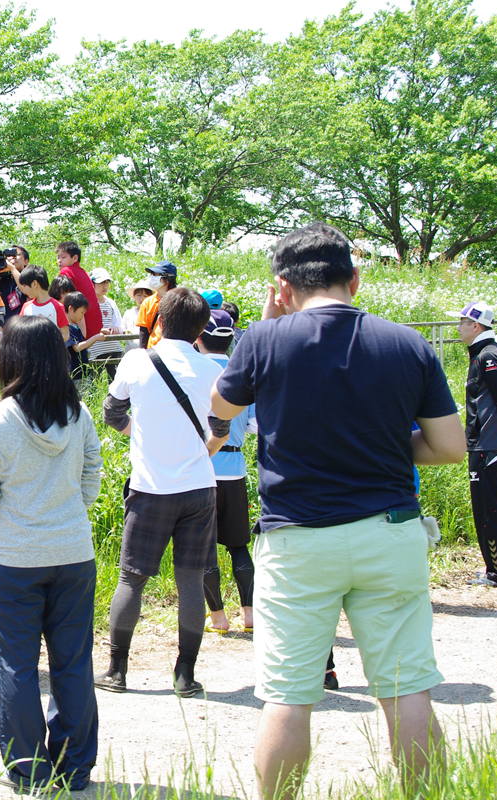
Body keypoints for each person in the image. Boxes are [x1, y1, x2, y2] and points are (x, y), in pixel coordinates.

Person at [211, 222, 465, 800]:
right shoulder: (408, 343)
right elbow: (450, 447)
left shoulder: (262, 340)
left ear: (282, 285)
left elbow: (221, 404)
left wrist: (272, 325)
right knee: (406, 689)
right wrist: (378, 444)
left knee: (289, 696)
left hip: (298, 539)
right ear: (354, 278)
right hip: (391, 531)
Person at [0, 314, 102, 792]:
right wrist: (65, 517)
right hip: (73, 554)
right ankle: (74, 766)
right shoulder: (79, 414)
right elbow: (91, 480)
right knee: (73, 661)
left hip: (14, 559)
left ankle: (29, 769)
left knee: (17, 665)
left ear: (11, 358)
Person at [100, 287, 228, 698]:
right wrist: (201, 453)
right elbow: (221, 430)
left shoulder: (136, 361)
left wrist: (140, 435)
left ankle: (117, 671)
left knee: (132, 578)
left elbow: (111, 412)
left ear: (158, 320)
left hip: (150, 488)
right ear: (200, 328)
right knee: (191, 580)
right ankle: (185, 676)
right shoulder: (212, 369)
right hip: (198, 490)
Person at [194, 310, 256, 634]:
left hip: (201, 470)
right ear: (231, 338)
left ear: (199, 338)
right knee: (239, 545)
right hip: (235, 469)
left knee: (205, 548)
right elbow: (258, 424)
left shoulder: (194, 371)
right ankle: (249, 614)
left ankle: (218, 618)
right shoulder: (241, 373)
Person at [454, 300, 497, 587]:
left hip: (489, 447)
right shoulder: (488, 353)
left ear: (475, 325)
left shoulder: (487, 357)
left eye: (462, 322)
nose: (459, 327)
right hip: (492, 445)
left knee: (488, 511)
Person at [55, 242, 101, 338]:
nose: (59, 261)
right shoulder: (83, 272)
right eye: (58, 257)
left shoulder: (66, 271)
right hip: (94, 323)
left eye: (63, 257)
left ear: (75, 258)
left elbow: (63, 297)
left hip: (81, 321)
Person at [87, 268, 125, 380]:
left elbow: (119, 325)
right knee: (93, 382)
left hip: (113, 348)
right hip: (95, 349)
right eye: (101, 283)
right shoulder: (87, 303)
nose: (105, 286)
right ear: (92, 283)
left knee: (116, 381)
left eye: (107, 282)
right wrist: (100, 330)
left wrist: (115, 329)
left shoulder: (110, 303)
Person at [63, 293, 106, 385]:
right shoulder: (67, 328)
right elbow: (77, 347)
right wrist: (94, 338)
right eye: (81, 312)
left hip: (81, 372)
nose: (82, 316)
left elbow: (83, 346)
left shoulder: (76, 327)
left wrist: (95, 339)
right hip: (74, 373)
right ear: (71, 309)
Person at [136, 260, 178, 349]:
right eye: (151, 274)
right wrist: (143, 353)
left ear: (167, 278)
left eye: (155, 274)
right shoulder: (148, 302)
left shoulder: (179, 301)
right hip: (153, 351)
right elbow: (144, 331)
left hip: (174, 351)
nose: (151, 277)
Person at [121, 280, 154, 352]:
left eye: (145, 296)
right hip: (130, 351)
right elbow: (122, 329)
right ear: (134, 296)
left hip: (148, 350)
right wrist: (126, 332)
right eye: (138, 295)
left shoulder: (152, 313)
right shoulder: (128, 313)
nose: (141, 299)